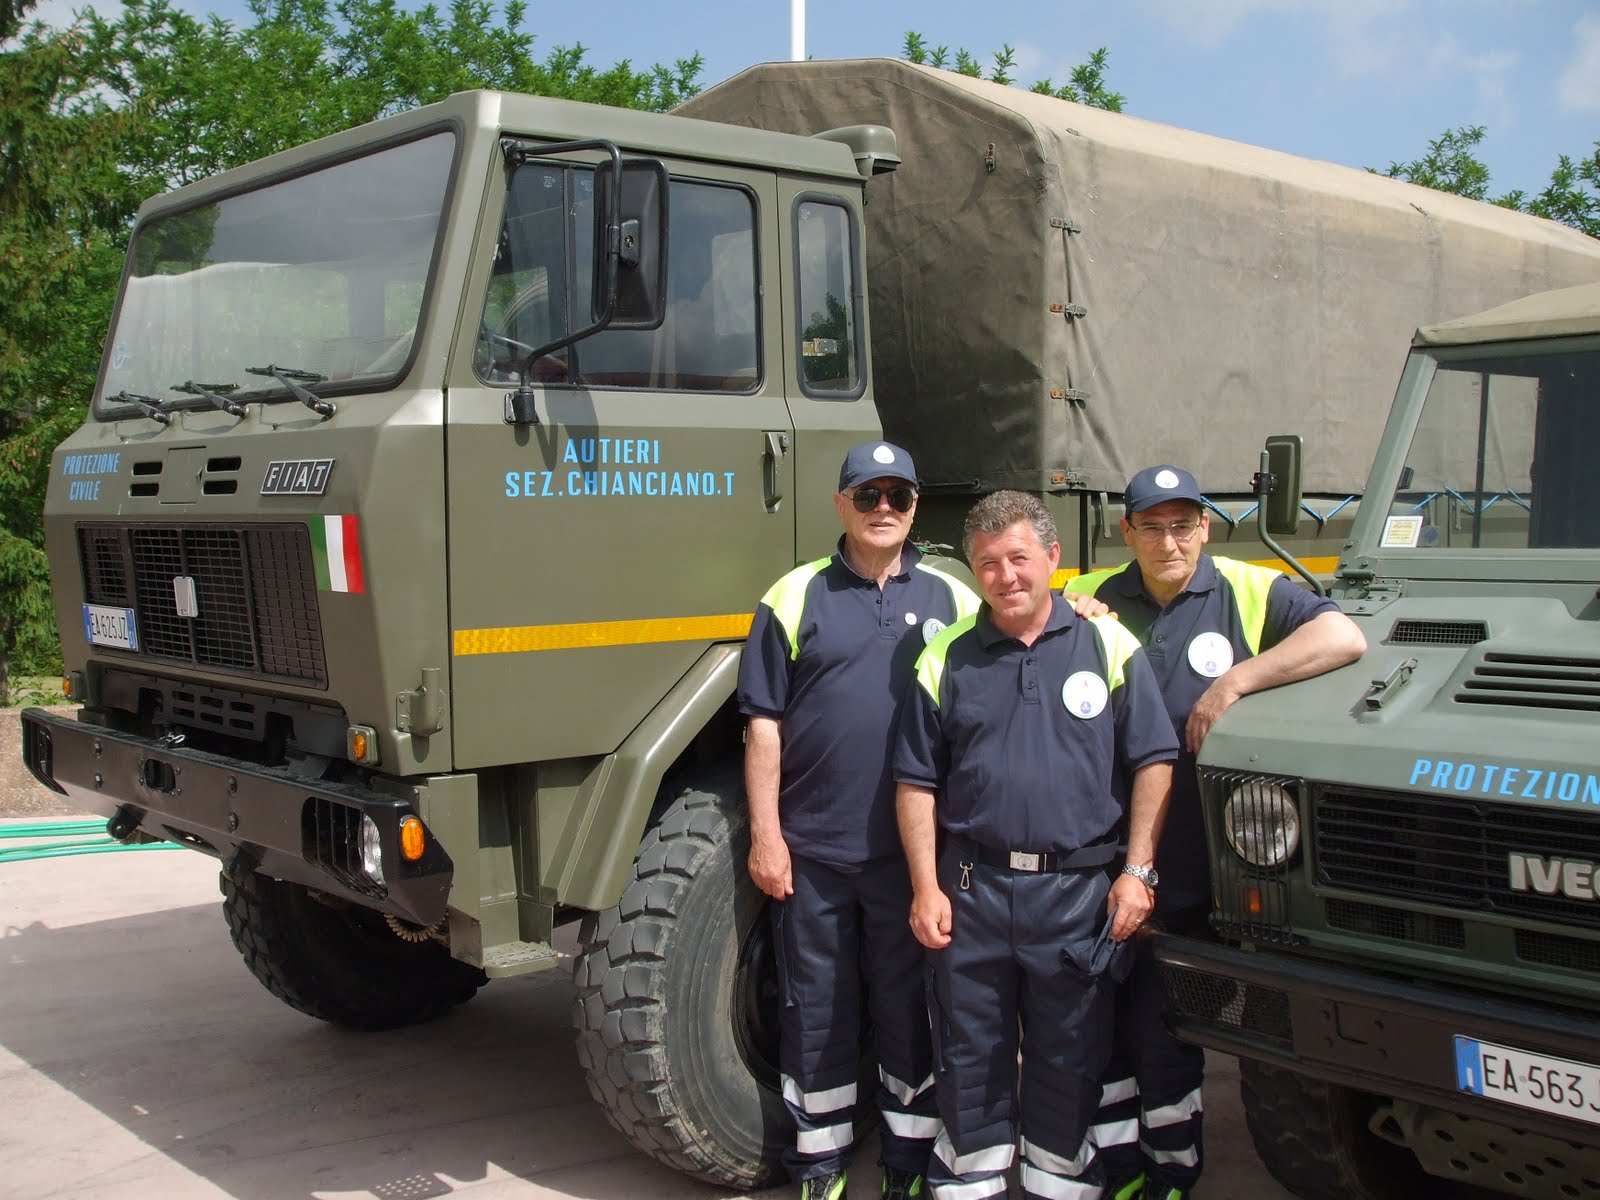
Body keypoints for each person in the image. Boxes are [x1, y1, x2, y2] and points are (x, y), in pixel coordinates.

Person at [1076, 464, 1367, 1200]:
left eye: (1184, 524)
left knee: (1169, 1027)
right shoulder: (1100, 599)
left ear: (1205, 527)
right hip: (1113, 855)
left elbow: (1343, 636)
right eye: (1152, 526)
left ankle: (1173, 1168)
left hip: (1198, 860)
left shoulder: (1247, 588)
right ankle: (1118, 1169)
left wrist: (1236, 681)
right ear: (1128, 532)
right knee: (1103, 1028)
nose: (1169, 540)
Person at [894, 489, 1179, 1200]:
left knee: (1069, 1055)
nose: (1005, 576)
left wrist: (1137, 871)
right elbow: (915, 783)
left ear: (1053, 559)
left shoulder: (1108, 642)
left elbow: (1154, 761)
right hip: (972, 893)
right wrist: (926, 886)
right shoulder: (945, 656)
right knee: (970, 1053)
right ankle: (969, 1186)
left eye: (1019, 558)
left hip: (1078, 895)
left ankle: (1063, 1185)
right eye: (987, 563)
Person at [736, 441, 980, 1200]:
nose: (883, 510)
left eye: (898, 498)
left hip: (911, 862)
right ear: (840, 504)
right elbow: (762, 726)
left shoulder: (954, 599)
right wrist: (768, 838)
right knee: (817, 1009)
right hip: (812, 857)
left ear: (915, 509)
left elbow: (1028, 640)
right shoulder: (793, 595)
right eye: (868, 495)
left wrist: (1088, 607)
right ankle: (821, 1164)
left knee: (908, 1010)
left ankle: (905, 1165)